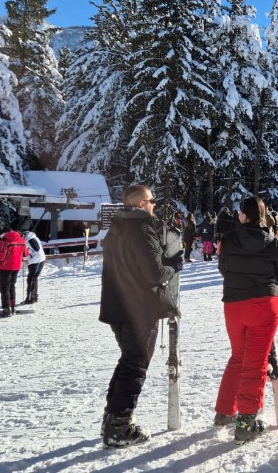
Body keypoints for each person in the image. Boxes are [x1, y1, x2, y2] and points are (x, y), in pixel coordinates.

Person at [99, 185, 183, 447]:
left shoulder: (117, 227)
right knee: (135, 364)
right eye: (151, 201)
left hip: (118, 305)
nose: (154, 205)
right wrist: (173, 266)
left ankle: (113, 417)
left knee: (128, 362)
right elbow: (154, 273)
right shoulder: (142, 226)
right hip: (139, 307)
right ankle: (119, 425)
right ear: (141, 204)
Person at [214, 196, 278, 444]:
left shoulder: (228, 239)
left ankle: (225, 410)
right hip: (262, 305)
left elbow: (223, 268)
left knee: (239, 356)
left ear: (244, 215)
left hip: (234, 305)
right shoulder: (273, 241)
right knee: (256, 362)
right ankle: (247, 421)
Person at [0, 224, 28, 316]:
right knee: (12, 287)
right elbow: (26, 253)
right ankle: (12, 307)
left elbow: (1, 255)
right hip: (16, 267)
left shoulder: (4, 240)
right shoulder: (21, 239)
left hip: (5, 267)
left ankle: (6, 309)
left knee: (4, 288)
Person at [21, 230, 46, 304]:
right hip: (33, 261)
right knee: (32, 279)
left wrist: (29, 261)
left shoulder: (31, 240)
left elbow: (39, 254)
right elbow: (30, 252)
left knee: (31, 279)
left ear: (23, 235)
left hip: (38, 261)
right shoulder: (28, 239)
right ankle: (33, 297)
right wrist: (25, 259)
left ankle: (30, 299)